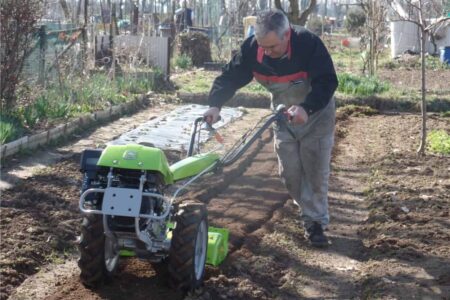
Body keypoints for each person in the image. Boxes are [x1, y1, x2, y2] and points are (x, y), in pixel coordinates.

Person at [203, 9, 338, 247]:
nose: (266, 52)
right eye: (263, 46)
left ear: (287, 35)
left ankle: (315, 223)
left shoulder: (308, 44)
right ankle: (307, 209)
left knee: (315, 173)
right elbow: (230, 76)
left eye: (272, 47)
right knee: (290, 174)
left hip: (316, 116)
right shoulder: (252, 48)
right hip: (284, 117)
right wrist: (215, 104)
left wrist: (307, 108)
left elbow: (327, 80)